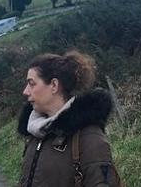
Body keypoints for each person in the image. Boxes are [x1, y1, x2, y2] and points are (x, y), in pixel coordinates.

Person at [18, 50, 123, 187]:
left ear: (54, 85)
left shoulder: (89, 138)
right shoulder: (35, 133)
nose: (25, 91)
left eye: (32, 83)